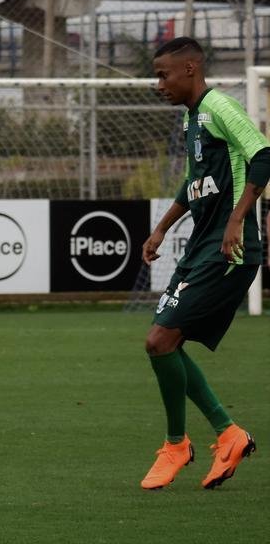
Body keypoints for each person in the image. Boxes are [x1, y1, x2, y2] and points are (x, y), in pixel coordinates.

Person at [139, 36, 263, 490]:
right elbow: (194, 186)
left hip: (228, 250)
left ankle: (177, 444)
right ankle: (227, 435)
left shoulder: (219, 107)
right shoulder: (194, 120)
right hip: (201, 248)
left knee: (160, 340)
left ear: (190, 69)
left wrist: (237, 219)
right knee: (162, 344)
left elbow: (264, 154)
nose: (159, 84)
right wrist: (161, 228)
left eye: (163, 74)